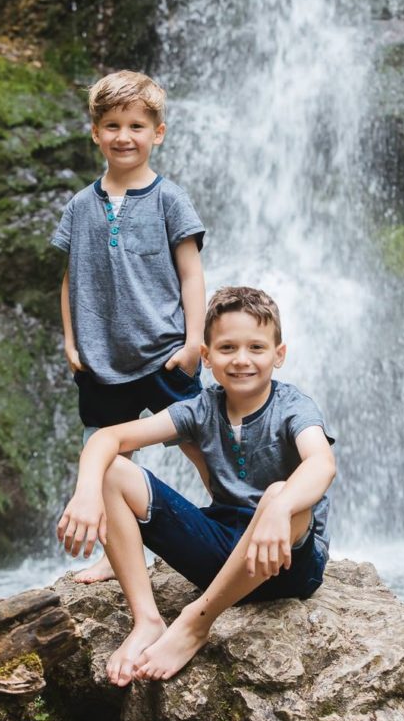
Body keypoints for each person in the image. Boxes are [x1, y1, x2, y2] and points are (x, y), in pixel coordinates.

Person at [57, 285, 336, 685]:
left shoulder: (294, 407)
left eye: (256, 348)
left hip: (290, 565)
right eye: (227, 348)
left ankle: (195, 622)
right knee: (112, 469)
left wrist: (277, 506)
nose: (241, 360)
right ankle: (148, 621)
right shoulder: (201, 407)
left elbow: (321, 463)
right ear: (205, 356)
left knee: (283, 496)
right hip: (224, 553)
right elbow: (107, 438)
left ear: (279, 355)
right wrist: (86, 493)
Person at [51, 70, 207, 583]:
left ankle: (234, 520)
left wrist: (194, 341)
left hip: (164, 349)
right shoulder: (79, 205)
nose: (124, 136)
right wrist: (72, 341)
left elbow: (191, 273)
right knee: (109, 451)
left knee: (199, 439)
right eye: (112, 125)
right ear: (95, 132)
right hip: (102, 357)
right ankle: (118, 556)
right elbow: (70, 279)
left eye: (137, 125)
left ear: (157, 133)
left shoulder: (170, 199)